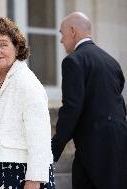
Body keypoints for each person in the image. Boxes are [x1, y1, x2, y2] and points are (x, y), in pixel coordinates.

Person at [0, 17, 55, 189]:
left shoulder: (26, 82)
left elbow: (40, 137)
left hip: (24, 175)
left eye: (3, 45)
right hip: (0, 173)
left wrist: (34, 180)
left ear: (17, 48)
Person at [52, 11, 127, 189]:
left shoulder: (73, 61)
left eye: (62, 34)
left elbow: (71, 109)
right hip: (119, 145)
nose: (61, 40)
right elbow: (118, 104)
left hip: (93, 151)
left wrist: (53, 149)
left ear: (72, 31)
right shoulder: (112, 62)